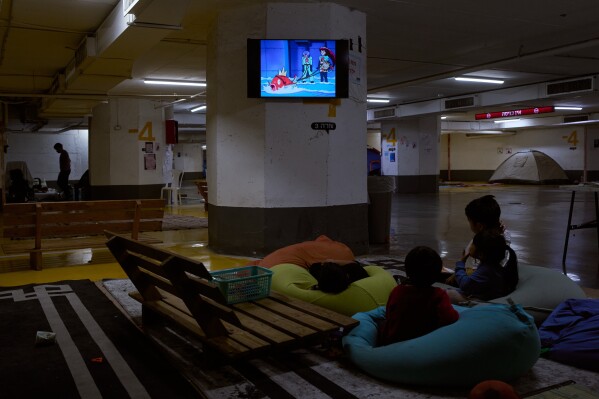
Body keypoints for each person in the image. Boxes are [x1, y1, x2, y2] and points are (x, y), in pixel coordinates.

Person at [377, 246, 459, 346]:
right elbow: (451, 318)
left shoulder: (397, 291)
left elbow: (389, 313)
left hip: (392, 342)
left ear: (407, 271)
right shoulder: (438, 295)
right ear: (437, 274)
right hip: (423, 344)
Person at [447, 230, 519, 303]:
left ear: (481, 254)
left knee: (449, 294)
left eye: (473, 244)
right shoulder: (492, 266)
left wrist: (461, 263)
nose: (470, 246)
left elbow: (465, 285)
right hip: (481, 295)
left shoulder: (487, 270)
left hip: (481, 302)